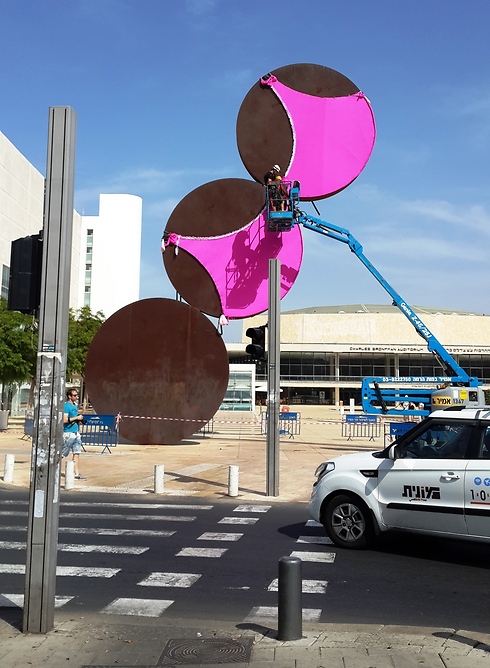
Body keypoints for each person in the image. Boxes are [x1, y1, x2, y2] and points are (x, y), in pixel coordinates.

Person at [63, 388, 85, 480]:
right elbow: (64, 420)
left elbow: (74, 418)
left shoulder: (75, 406)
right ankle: (52, 469)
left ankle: (76, 473)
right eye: (74, 395)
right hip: (68, 433)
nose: (76, 397)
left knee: (76, 452)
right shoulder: (66, 406)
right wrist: (77, 418)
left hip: (76, 433)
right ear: (69, 396)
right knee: (63, 453)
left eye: (77, 395)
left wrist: (79, 420)